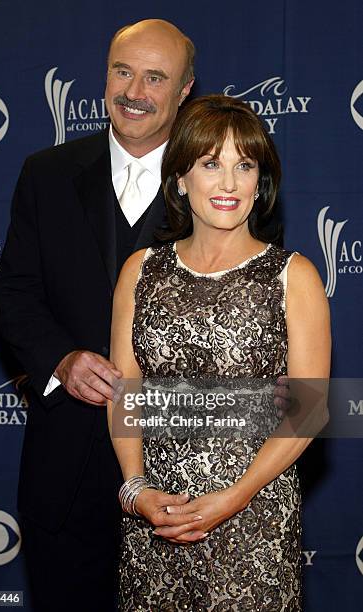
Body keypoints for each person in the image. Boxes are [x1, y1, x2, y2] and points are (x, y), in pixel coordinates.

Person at [0, 19, 196, 612]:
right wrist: (62, 358)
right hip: (66, 469)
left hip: (184, 472)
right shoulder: (45, 173)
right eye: (122, 71)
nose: (134, 90)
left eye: (155, 77)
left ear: (184, 91)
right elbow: (15, 293)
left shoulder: (219, 180)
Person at [108, 94, 331, 610]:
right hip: (155, 523)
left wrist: (234, 498)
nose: (229, 183)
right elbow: (127, 393)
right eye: (211, 164)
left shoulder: (292, 276)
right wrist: (135, 490)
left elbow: (312, 406)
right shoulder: (140, 271)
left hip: (254, 520)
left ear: (261, 184)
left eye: (244, 166)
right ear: (182, 179)